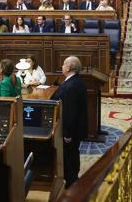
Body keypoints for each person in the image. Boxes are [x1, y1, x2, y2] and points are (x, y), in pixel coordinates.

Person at [51, 56, 88, 187]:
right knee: (73, 154)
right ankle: (73, 180)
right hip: (76, 130)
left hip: (70, 132)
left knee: (69, 157)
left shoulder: (71, 87)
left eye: (63, 65)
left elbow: (70, 113)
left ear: (68, 68)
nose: (61, 67)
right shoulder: (76, 81)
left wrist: (67, 134)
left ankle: (72, 185)